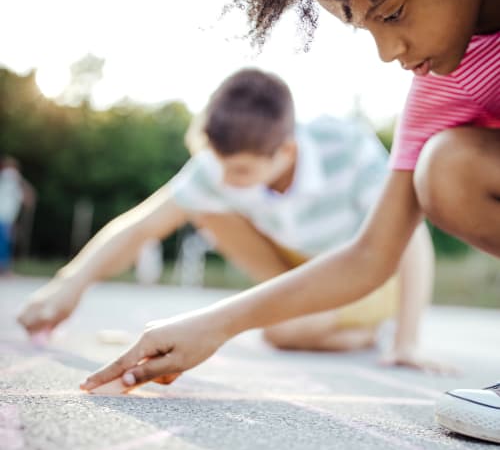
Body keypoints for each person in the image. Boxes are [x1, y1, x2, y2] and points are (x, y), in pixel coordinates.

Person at [18, 68, 438, 369]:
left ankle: (367, 332)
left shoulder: (346, 147)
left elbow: (411, 235)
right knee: (200, 206)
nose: (226, 181)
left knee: (283, 333)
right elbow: (144, 224)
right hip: (297, 261)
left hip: (363, 267)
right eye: (220, 167)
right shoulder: (219, 166)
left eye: (242, 172)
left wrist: (409, 340)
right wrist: (69, 284)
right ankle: (308, 318)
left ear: (286, 152)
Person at [0, 156, 35, 274]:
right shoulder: (10, 175)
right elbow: (28, 197)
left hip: (6, 218)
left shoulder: (8, 181)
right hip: (3, 217)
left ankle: (4, 268)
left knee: (5, 242)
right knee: (4, 242)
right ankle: (4, 269)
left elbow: (23, 198)